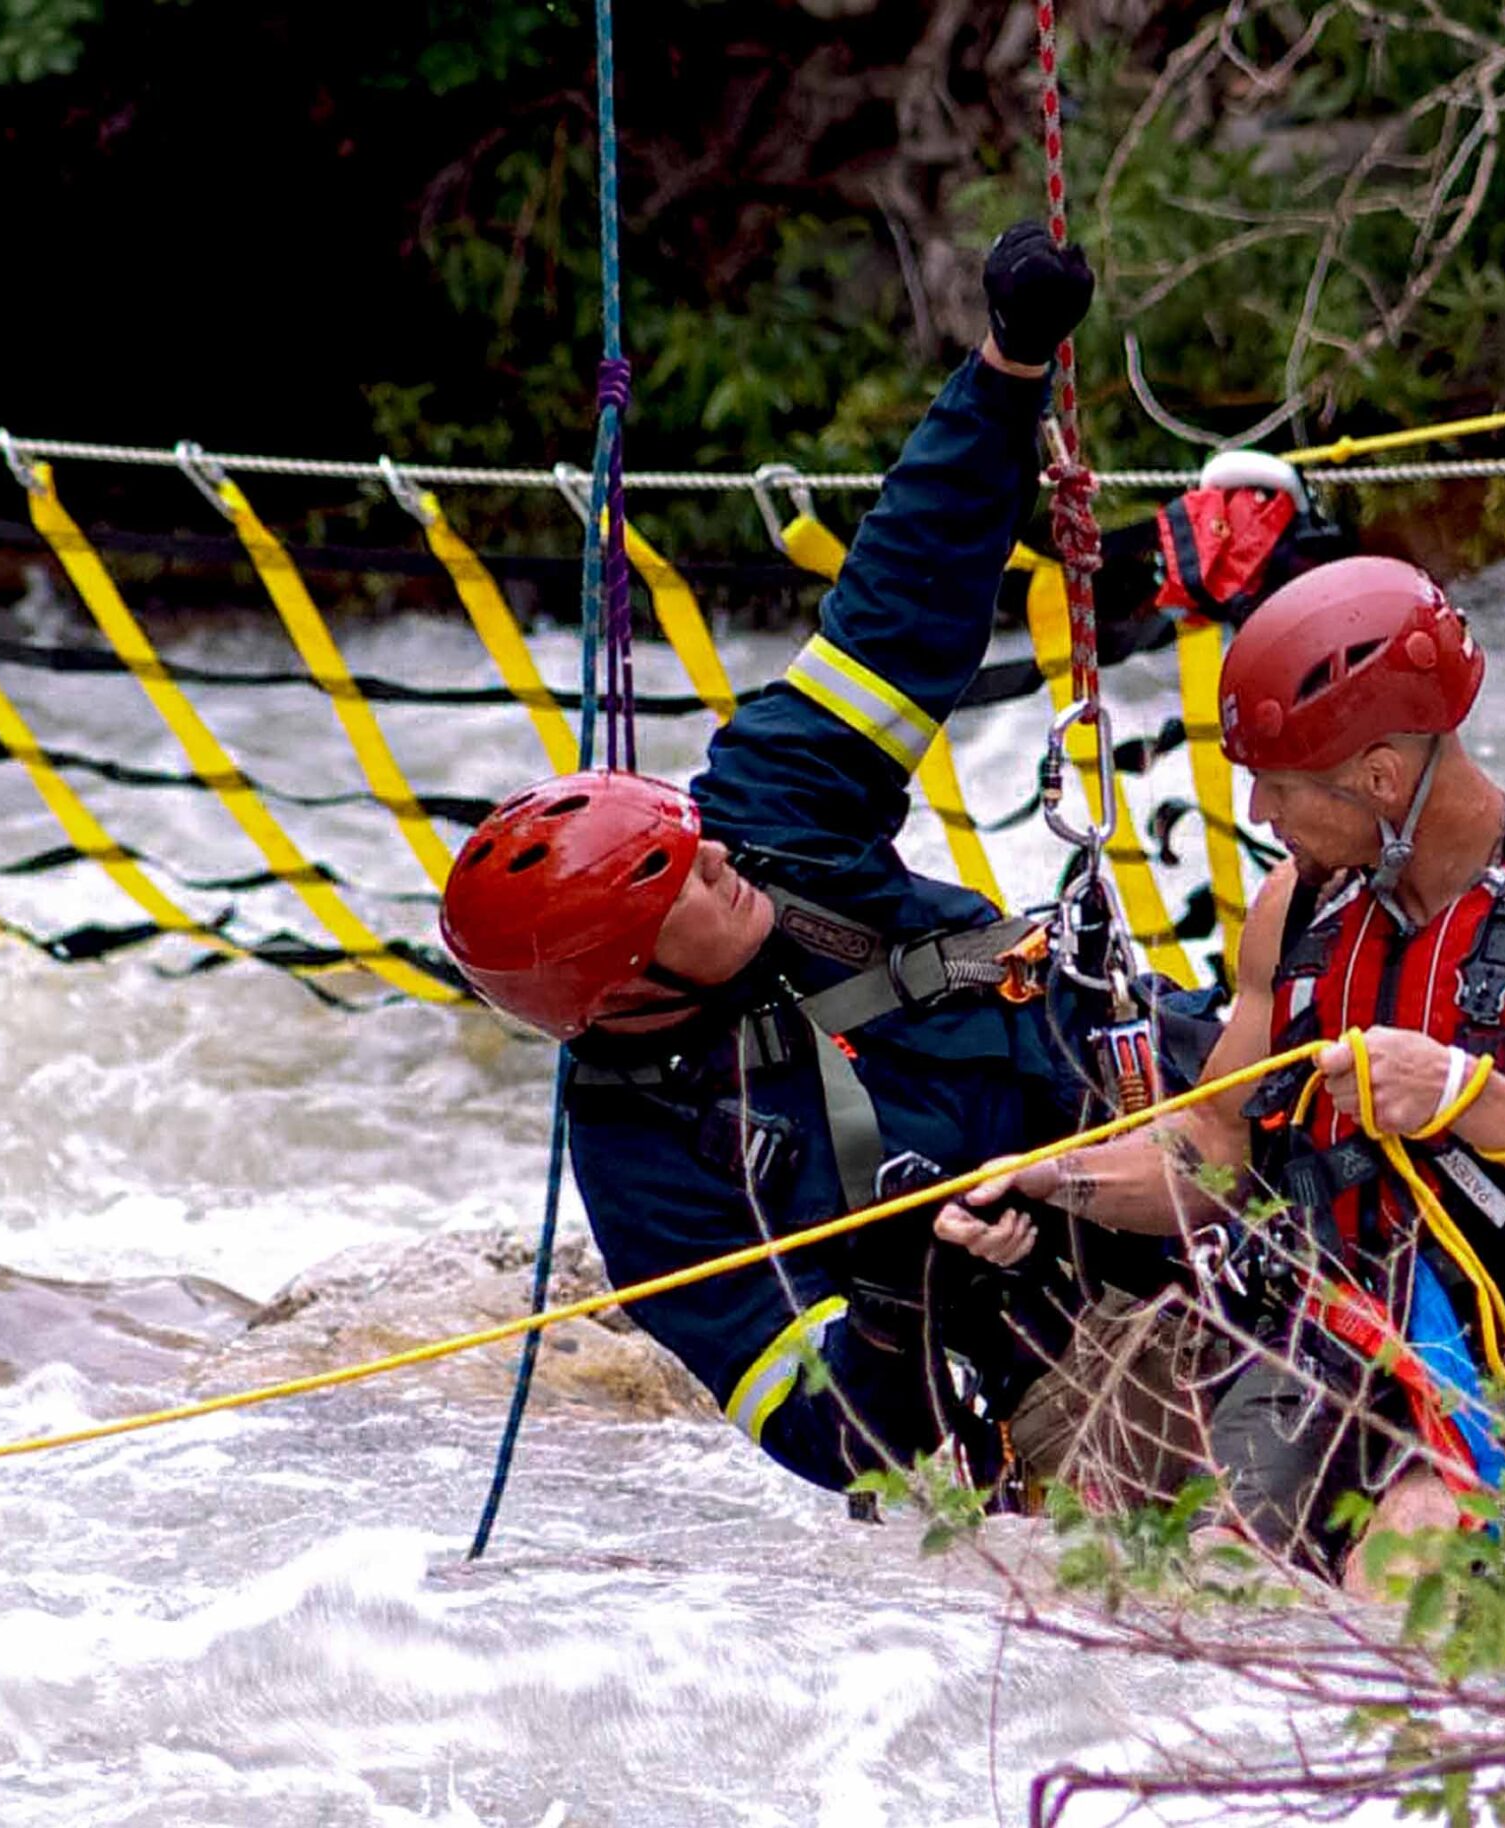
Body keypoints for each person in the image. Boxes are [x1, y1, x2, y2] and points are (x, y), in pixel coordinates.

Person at [439, 225, 1242, 1498]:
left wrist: (1006, 368)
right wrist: (892, 1305)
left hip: (1173, 1099)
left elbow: (902, 597)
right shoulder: (648, 1170)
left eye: (691, 846)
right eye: (681, 887)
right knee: (1263, 1482)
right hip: (1071, 1341)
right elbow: (840, 1446)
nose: (716, 862)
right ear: (625, 990)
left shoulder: (761, 816)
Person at [940, 555, 1505, 1584]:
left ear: (1380, 777)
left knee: (1415, 1552)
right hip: (1325, 1332)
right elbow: (1213, 1149)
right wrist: (1051, 1178)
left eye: (1279, 786)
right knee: (1206, 1572)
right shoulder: (1296, 907)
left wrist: (1465, 1094)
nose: (1255, 809)